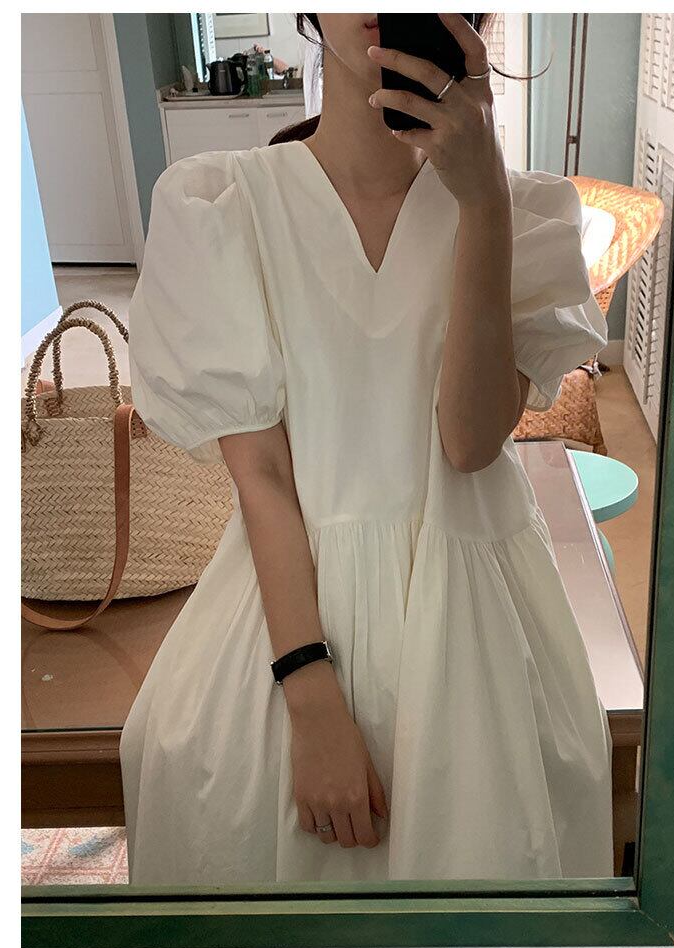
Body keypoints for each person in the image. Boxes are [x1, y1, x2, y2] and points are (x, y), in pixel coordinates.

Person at [120, 13, 613, 885]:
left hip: (476, 623)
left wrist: (483, 203)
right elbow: (264, 477)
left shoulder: (526, 210)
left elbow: (469, 441)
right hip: (293, 618)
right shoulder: (223, 205)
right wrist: (311, 699)